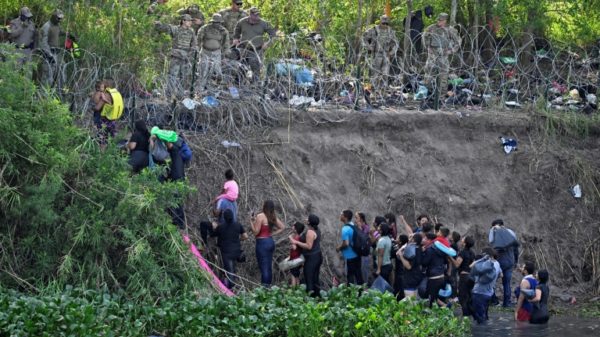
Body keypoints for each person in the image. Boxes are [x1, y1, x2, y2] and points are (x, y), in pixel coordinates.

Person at [422, 12, 461, 109]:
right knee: (428, 77)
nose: (439, 22)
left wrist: (451, 51)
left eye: (441, 20)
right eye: (438, 20)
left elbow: (458, 41)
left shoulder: (450, 30)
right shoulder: (431, 28)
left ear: (445, 21)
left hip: (443, 56)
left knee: (443, 79)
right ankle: (430, 95)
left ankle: (441, 99)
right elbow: (424, 36)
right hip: (432, 56)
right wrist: (427, 47)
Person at [150, 127, 186, 228]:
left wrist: (157, 135)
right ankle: (177, 221)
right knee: (176, 202)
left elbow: (168, 142)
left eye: (167, 144)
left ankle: (179, 223)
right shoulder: (177, 153)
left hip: (177, 180)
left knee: (177, 202)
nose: (166, 145)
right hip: (178, 178)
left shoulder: (174, 152)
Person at [155, 14, 197, 97]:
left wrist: (191, 54)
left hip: (186, 56)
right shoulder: (176, 29)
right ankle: (169, 94)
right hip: (176, 56)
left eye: (190, 21)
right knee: (172, 75)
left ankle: (180, 95)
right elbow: (165, 27)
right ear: (183, 21)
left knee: (184, 76)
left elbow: (194, 44)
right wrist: (158, 24)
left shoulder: (191, 31)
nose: (190, 23)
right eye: (188, 21)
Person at [232, 7, 277, 83]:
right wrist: (236, 38)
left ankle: (254, 86)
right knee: (241, 68)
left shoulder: (263, 23)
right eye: (255, 15)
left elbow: (273, 34)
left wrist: (268, 43)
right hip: (244, 49)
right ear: (250, 15)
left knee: (256, 70)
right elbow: (237, 30)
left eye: (258, 15)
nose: (257, 17)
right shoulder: (242, 22)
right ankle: (239, 84)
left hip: (256, 50)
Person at [251, 200, 285, 287]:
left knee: (263, 268)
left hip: (262, 243)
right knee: (268, 266)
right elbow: (282, 227)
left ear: (264, 206)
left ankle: (264, 289)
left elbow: (256, 232)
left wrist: (251, 222)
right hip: (270, 242)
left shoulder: (260, 216)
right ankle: (268, 287)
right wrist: (271, 234)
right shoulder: (272, 216)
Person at [362, 15, 398, 95]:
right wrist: (368, 47)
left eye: (386, 23)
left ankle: (383, 91)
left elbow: (395, 43)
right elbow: (364, 37)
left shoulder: (390, 31)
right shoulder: (374, 30)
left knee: (385, 74)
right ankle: (374, 91)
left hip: (386, 54)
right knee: (375, 73)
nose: (385, 25)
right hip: (376, 54)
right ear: (380, 22)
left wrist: (392, 52)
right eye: (383, 23)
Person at [213, 209, 248, 289]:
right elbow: (245, 236)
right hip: (236, 252)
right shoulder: (238, 225)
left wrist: (214, 227)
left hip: (226, 253)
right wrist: (238, 239)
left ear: (224, 217)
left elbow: (212, 234)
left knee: (230, 272)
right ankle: (231, 286)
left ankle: (230, 291)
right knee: (232, 270)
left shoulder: (221, 227)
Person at [489, 219, 519, 307]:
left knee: (491, 281)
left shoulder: (495, 235)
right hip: (510, 262)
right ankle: (507, 303)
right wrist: (515, 261)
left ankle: (494, 300)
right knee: (507, 283)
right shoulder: (510, 234)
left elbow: (494, 250)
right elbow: (516, 249)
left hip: (499, 262)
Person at [290, 214, 322, 297]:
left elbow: (309, 246)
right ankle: (317, 297)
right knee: (315, 278)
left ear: (309, 222)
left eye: (308, 218)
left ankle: (310, 299)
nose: (306, 218)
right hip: (317, 256)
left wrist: (296, 242)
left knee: (309, 278)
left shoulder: (310, 232)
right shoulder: (317, 229)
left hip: (312, 258)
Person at [196, 14, 229, 92]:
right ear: (212, 22)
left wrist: (225, 53)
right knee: (204, 69)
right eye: (215, 22)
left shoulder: (223, 31)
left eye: (218, 22)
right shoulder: (205, 28)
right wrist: (197, 49)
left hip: (216, 53)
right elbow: (198, 39)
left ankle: (216, 88)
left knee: (217, 71)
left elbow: (226, 43)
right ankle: (201, 88)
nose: (217, 24)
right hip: (205, 51)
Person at [470, 248, 502, 324]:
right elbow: (501, 275)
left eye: (482, 254)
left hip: (479, 293)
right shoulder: (497, 263)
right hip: (489, 293)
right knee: (484, 317)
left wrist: (481, 260)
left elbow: (471, 266)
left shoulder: (486, 264)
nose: (481, 256)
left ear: (487, 255)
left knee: (480, 320)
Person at [38, 9, 66, 87]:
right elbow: (43, 42)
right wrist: (49, 55)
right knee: (47, 76)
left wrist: (68, 34)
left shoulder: (57, 25)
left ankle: (48, 95)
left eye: (60, 18)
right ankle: (43, 96)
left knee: (54, 75)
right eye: (58, 18)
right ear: (53, 17)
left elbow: (59, 32)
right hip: (48, 55)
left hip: (55, 53)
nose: (59, 20)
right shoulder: (46, 26)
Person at [336, 209, 363, 285]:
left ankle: (350, 293)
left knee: (350, 276)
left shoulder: (345, 229)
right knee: (358, 275)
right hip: (357, 254)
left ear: (345, 217)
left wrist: (339, 248)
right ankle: (360, 292)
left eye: (341, 214)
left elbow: (346, 243)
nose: (340, 216)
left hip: (350, 256)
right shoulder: (353, 225)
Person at [421, 232, 448, 307]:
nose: (423, 240)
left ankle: (434, 316)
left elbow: (424, 263)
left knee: (431, 300)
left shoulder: (429, 249)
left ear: (429, 240)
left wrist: (422, 253)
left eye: (425, 238)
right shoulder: (440, 249)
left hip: (434, 278)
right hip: (441, 276)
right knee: (435, 297)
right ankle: (445, 306)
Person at [451, 236, 475, 317]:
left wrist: (449, 257)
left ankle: (465, 316)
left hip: (464, 277)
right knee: (468, 296)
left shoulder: (462, 252)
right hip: (471, 276)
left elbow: (457, 264)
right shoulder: (472, 252)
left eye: (463, 239)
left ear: (464, 243)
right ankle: (470, 314)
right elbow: (472, 265)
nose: (461, 240)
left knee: (462, 297)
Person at [397, 233, 424, 298]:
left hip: (410, 279)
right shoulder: (420, 249)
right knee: (415, 300)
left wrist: (401, 255)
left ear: (413, 240)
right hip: (417, 277)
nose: (409, 239)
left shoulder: (411, 250)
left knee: (409, 301)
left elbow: (409, 266)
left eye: (410, 238)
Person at [355, 212, 371, 284]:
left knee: (363, 273)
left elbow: (363, 238)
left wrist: (359, 228)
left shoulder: (366, 227)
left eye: (356, 217)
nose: (355, 219)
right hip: (357, 253)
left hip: (364, 254)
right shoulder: (356, 227)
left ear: (361, 219)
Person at [288, 221, 304, 286]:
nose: (292, 226)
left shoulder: (296, 238)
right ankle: (298, 290)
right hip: (297, 259)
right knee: (296, 276)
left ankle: (293, 291)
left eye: (293, 225)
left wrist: (290, 238)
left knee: (293, 276)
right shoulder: (298, 237)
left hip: (295, 260)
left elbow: (294, 248)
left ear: (295, 228)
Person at [393, 234, 409, 300]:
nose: (396, 240)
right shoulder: (405, 248)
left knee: (399, 288)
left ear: (400, 242)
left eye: (398, 239)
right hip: (401, 272)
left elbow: (395, 254)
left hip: (400, 272)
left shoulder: (401, 250)